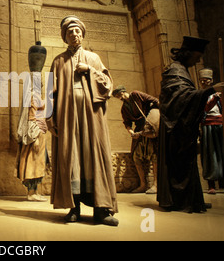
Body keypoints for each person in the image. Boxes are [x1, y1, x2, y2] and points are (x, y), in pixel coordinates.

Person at [46, 16, 118, 226]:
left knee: (94, 155)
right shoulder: (58, 61)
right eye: (70, 32)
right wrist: (50, 118)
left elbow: (107, 85)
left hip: (91, 116)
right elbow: (51, 91)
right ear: (65, 37)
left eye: (78, 31)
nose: (74, 35)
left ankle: (101, 210)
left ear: (82, 34)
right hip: (68, 117)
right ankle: (74, 207)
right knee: (72, 157)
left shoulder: (93, 58)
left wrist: (90, 71)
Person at [158, 36, 224, 213]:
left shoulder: (182, 69)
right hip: (174, 126)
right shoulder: (175, 70)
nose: (198, 60)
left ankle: (192, 199)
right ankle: (180, 200)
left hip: (181, 126)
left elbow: (186, 95)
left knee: (188, 162)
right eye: (197, 56)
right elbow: (180, 98)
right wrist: (210, 91)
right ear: (187, 53)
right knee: (180, 163)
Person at [15, 44, 48, 202]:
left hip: (39, 133)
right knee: (32, 163)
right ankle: (31, 193)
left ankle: (34, 192)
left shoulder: (36, 95)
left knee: (38, 162)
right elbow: (31, 115)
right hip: (34, 133)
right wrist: (35, 132)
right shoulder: (31, 95)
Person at [112, 86, 159, 194]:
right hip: (139, 130)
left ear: (124, 91)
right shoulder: (124, 108)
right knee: (136, 156)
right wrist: (131, 133)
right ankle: (143, 184)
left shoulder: (135, 94)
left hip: (149, 126)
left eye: (120, 95)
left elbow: (154, 100)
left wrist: (155, 119)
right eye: (118, 97)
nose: (120, 97)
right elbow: (127, 123)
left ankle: (156, 184)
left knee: (154, 154)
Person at [198, 68, 223, 194]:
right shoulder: (200, 95)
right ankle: (211, 184)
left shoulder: (217, 94)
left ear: (211, 80)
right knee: (210, 155)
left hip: (219, 124)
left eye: (207, 79)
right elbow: (203, 109)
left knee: (220, 154)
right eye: (202, 80)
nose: (204, 82)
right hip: (207, 125)